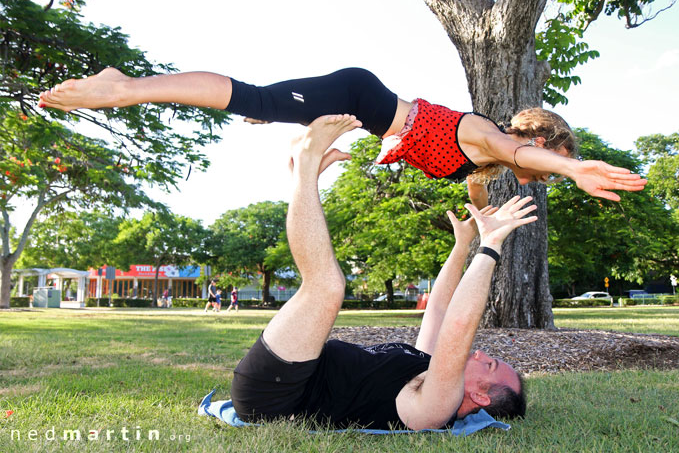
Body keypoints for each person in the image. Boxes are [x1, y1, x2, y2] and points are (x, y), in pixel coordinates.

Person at [230, 113, 533, 429]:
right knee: (327, 286)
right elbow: (440, 310)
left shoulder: (435, 407)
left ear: (481, 396)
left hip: (275, 396)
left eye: (491, 365)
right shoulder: (427, 368)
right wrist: (463, 244)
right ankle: (302, 172)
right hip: (297, 370)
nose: (483, 354)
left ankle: (305, 163)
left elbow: (459, 323)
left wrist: (491, 245)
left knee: (327, 287)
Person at [38, 67, 646, 208]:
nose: (542, 172)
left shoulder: (482, 166)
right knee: (258, 99)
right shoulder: (491, 138)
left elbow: (484, 187)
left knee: (264, 106)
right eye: (554, 159)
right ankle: (126, 87)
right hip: (362, 96)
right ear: (547, 144)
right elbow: (520, 154)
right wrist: (576, 169)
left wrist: (480, 227)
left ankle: (273, 112)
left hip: (360, 111)